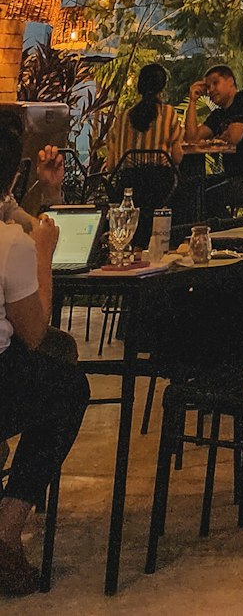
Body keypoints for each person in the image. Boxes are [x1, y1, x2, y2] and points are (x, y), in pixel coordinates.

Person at [0, 110, 89, 595]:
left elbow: (18, 215)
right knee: (66, 387)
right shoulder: (10, 243)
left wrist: (45, 199)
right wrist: (44, 258)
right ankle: (6, 534)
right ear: (11, 173)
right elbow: (35, 332)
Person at [183, 65, 243, 220]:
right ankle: (204, 233)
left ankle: (228, 230)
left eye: (215, 83)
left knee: (208, 197)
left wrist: (219, 137)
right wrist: (192, 101)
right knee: (191, 187)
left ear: (230, 81)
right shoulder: (218, 115)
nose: (210, 90)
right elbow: (192, 138)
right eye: (207, 86)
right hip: (232, 176)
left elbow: (233, 137)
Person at [105, 63, 183, 174]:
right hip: (160, 187)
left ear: (139, 86)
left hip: (127, 186)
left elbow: (111, 166)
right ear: (162, 87)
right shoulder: (168, 114)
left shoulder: (121, 118)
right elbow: (176, 158)